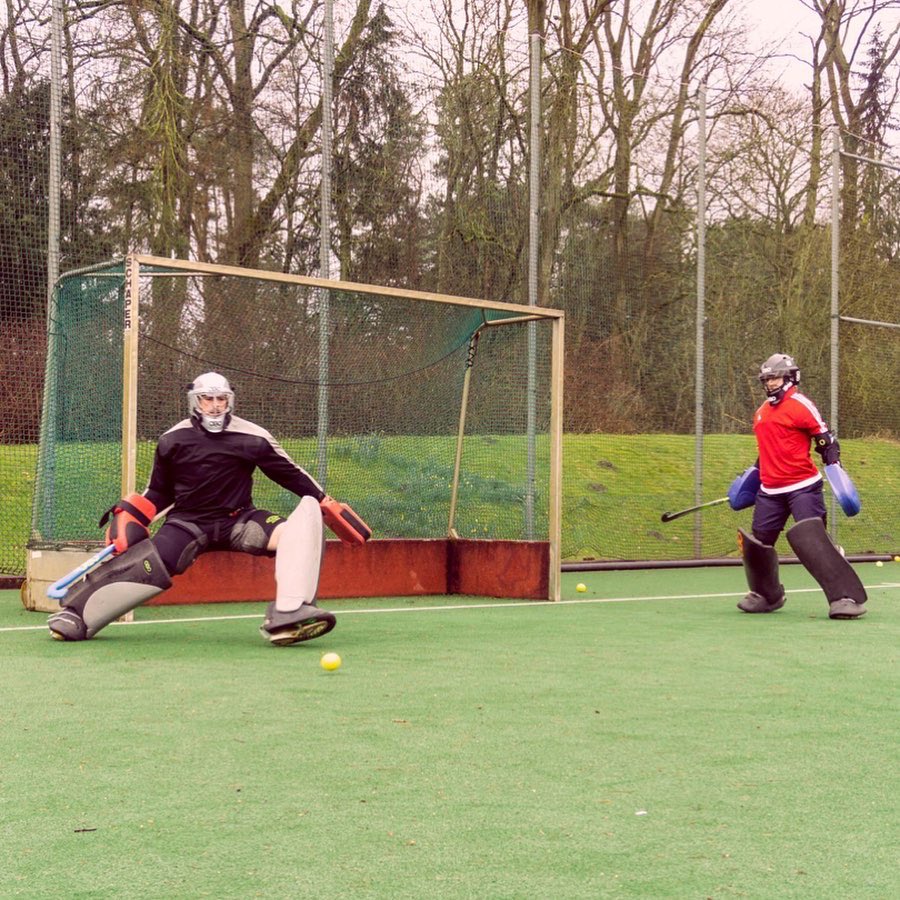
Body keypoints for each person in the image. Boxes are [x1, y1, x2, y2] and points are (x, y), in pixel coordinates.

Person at [48, 372, 370, 645]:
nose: (215, 406)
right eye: (207, 399)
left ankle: (290, 614)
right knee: (145, 563)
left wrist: (324, 501)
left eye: (221, 399)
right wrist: (134, 515)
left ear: (230, 400)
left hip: (240, 521)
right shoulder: (173, 440)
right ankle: (76, 614)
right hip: (188, 524)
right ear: (195, 402)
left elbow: (290, 474)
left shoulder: (253, 437)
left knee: (302, 521)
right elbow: (159, 491)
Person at [736, 353, 867, 619]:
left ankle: (845, 597)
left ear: (790, 378)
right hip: (769, 491)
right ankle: (767, 595)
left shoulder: (801, 405)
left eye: (775, 378)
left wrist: (835, 467)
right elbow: (766, 451)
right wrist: (748, 480)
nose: (770, 383)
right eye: (767, 379)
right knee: (758, 546)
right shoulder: (761, 413)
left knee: (813, 541)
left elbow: (825, 441)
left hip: (803, 487)